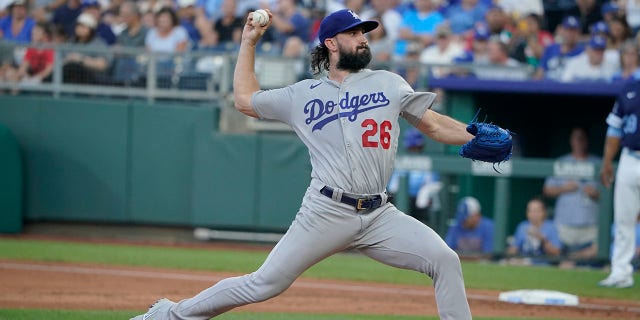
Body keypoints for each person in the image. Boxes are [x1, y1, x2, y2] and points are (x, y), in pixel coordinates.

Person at [130, 8, 485, 319]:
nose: (363, 39)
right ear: (331, 43)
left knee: (445, 259)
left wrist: (476, 134)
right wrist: (249, 43)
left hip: (380, 214)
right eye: (354, 33)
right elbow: (244, 100)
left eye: (364, 33)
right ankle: (169, 315)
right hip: (327, 210)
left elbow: (434, 124)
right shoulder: (303, 95)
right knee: (263, 283)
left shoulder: (390, 83)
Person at [598, 78, 640, 289]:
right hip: (629, 157)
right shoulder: (630, 87)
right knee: (624, 219)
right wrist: (607, 161)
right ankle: (621, 272)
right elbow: (615, 128)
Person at [543, 126, 601, 259]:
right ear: (571, 141)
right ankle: (569, 260)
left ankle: (573, 259)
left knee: (598, 251)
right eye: (576, 138)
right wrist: (564, 188)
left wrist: (595, 193)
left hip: (590, 225)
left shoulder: (598, 163)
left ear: (587, 141)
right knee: (555, 251)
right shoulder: (561, 162)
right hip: (564, 224)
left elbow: (609, 195)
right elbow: (547, 190)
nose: (579, 142)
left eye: (582, 138)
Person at [387, 128, 442, 225]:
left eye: (417, 147)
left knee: (423, 203)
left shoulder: (428, 162)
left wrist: (424, 193)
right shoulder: (402, 161)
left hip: (420, 204)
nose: (415, 150)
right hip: (403, 201)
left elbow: (434, 184)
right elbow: (392, 187)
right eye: (412, 147)